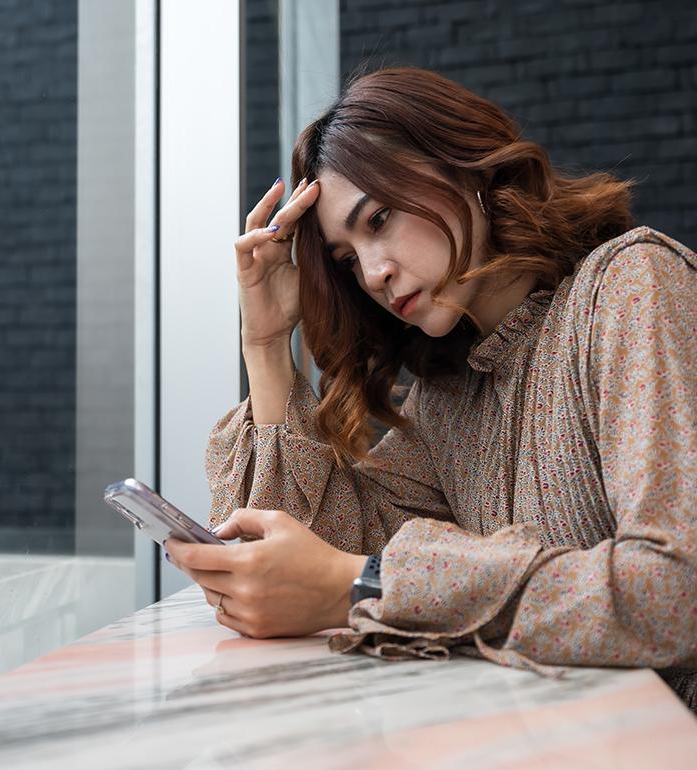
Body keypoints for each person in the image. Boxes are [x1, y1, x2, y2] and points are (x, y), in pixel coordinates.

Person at [164, 68, 696, 709]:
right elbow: (312, 549)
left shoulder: (630, 289)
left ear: (464, 167)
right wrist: (268, 344)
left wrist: (361, 586)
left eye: (380, 218)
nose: (376, 271)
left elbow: (675, 592)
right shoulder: (452, 391)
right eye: (346, 259)